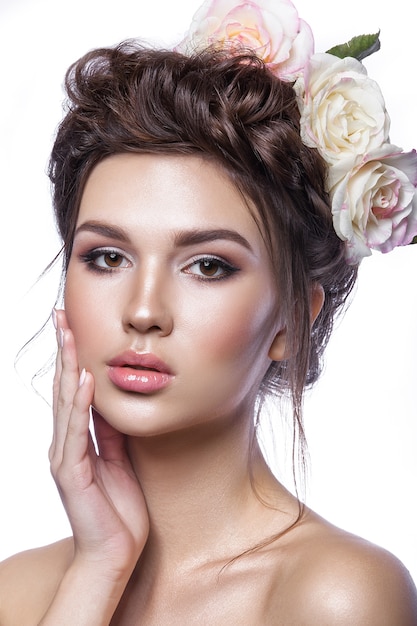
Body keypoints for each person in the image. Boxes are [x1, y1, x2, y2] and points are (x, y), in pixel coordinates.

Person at [1, 0, 416, 623]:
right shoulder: (20, 591)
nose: (143, 311)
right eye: (108, 258)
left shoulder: (337, 596)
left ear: (292, 320)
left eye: (208, 266)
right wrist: (99, 567)